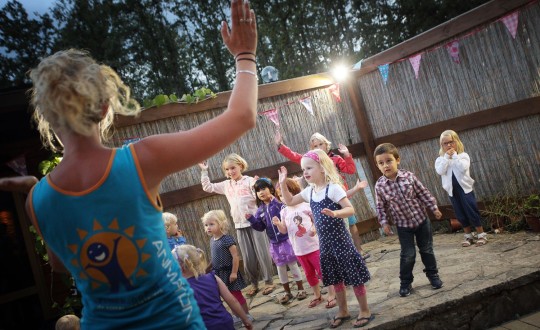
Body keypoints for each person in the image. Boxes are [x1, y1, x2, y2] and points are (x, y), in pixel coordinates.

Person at [25, 0, 258, 327]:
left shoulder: (37, 199)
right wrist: (245, 55)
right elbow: (242, 116)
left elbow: (62, 264)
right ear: (106, 107)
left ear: (47, 117)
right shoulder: (140, 160)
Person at [278, 149, 374, 328]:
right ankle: (343, 311)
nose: (305, 172)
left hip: (342, 243)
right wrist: (283, 183)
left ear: (322, 168)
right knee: (336, 280)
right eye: (303, 169)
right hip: (326, 247)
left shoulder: (333, 188)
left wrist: (336, 212)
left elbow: (350, 209)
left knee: (354, 278)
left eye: (309, 168)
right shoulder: (310, 192)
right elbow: (289, 201)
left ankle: (364, 310)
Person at [274, 131, 369, 259]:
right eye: (315, 146)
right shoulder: (310, 165)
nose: (319, 148)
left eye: (321, 144)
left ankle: (358, 251)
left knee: (349, 226)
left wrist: (347, 155)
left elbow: (350, 170)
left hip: (340, 199)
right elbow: (295, 156)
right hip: (326, 227)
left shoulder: (335, 160)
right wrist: (280, 145)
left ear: (326, 145)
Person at [374, 143, 444, 298]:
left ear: (397, 160)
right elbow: (380, 207)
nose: (385, 165)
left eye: (389, 161)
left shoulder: (409, 177)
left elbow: (423, 193)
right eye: (381, 163)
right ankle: (405, 283)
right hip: (403, 226)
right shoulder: (380, 186)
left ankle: (433, 276)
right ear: (378, 165)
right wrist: (384, 223)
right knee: (408, 254)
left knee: (426, 249)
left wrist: (434, 208)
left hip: (421, 221)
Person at [199, 154, 275, 296]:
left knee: (262, 253)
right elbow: (208, 187)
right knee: (248, 257)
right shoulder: (226, 185)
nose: (230, 171)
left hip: (256, 223)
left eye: (233, 168)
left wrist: (257, 186)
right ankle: (254, 283)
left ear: (240, 166)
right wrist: (204, 171)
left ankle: (269, 281)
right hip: (239, 225)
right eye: (227, 169)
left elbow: (260, 196)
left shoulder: (250, 181)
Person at [273, 177, 337, 309]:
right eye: (280, 195)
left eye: (285, 193)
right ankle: (317, 295)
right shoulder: (284, 211)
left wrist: (314, 229)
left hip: (313, 247)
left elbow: (316, 221)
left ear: (294, 191)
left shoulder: (306, 205)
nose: (283, 197)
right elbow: (284, 230)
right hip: (299, 250)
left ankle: (332, 294)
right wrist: (279, 224)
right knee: (309, 274)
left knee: (322, 271)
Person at [245, 178, 307, 305]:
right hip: (274, 243)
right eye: (257, 191)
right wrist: (251, 219)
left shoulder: (278, 204)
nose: (261, 192)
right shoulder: (260, 210)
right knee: (280, 268)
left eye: (263, 188)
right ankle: (287, 292)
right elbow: (260, 227)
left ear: (271, 189)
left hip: (285, 240)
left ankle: (301, 289)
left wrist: (277, 201)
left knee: (293, 265)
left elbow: (286, 212)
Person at [172, 244, 253, 330]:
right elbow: (232, 301)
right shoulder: (213, 277)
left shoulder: (178, 289)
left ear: (180, 267)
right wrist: (245, 319)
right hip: (224, 323)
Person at [435, 130, 487, 246]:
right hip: (452, 191)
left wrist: (454, 156)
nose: (449, 145)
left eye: (451, 142)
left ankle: (481, 234)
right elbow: (440, 170)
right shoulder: (440, 160)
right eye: (445, 143)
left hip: (465, 190)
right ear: (441, 146)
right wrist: (447, 158)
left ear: (457, 142)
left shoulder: (463, 156)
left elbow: (463, 168)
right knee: (460, 213)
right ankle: (468, 236)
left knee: (471, 210)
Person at [201, 210, 253, 323]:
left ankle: (247, 314)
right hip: (218, 274)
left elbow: (235, 256)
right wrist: (207, 268)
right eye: (206, 225)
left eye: (211, 224)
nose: (208, 227)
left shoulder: (227, 239)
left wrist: (234, 272)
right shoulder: (212, 240)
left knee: (236, 295)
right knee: (228, 297)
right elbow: (214, 258)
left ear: (221, 224)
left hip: (229, 273)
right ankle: (237, 315)